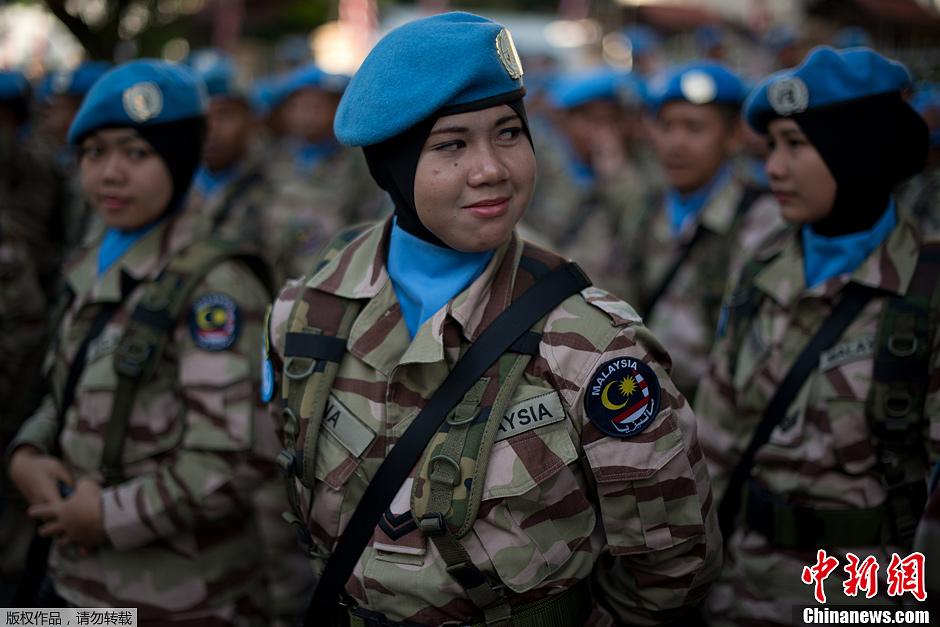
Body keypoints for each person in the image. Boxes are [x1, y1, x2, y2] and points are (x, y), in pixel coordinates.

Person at [266, 12, 721, 627]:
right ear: (393, 166)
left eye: (509, 133)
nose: (492, 168)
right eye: (451, 144)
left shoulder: (589, 344)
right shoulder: (310, 312)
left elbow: (672, 564)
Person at [6, 59, 285, 624]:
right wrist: (27, 452)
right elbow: (68, 388)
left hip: (179, 600)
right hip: (73, 586)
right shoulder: (91, 258)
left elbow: (236, 458)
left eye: (136, 154)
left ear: (180, 159)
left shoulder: (215, 286)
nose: (110, 173)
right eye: (95, 152)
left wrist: (109, 515)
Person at [693, 46, 937, 625]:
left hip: (861, 600)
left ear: (857, 148)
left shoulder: (925, 291)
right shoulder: (762, 263)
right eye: (771, 145)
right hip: (737, 588)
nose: (773, 167)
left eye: (796, 145)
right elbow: (715, 440)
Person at [620, 60, 785, 400]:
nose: (676, 143)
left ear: (735, 135)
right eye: (666, 127)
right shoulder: (644, 211)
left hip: (718, 410)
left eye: (695, 128)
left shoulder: (761, 219)